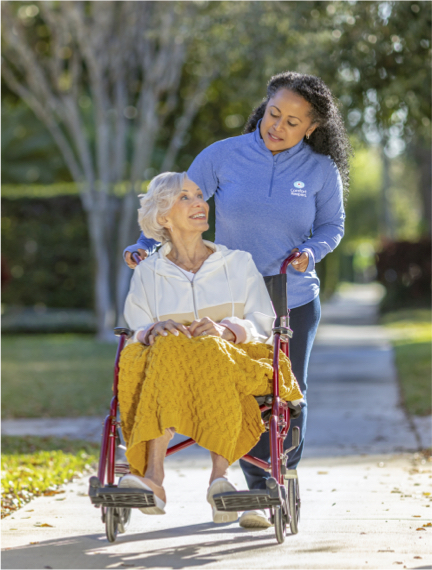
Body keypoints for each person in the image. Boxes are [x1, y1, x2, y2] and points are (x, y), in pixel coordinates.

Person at [124, 71, 351, 529]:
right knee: (239, 383)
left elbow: (332, 226)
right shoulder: (222, 155)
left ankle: (274, 475)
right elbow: (177, 202)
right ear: (263, 108)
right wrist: (147, 246)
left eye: (292, 122)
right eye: (273, 114)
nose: (277, 126)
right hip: (226, 291)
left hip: (292, 293)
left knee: (286, 392)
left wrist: (311, 251)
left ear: (311, 128)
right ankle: (254, 493)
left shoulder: (320, 171)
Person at [118, 171, 302, 523]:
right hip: (170, 367)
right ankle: (154, 479)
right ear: (162, 217)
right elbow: (135, 330)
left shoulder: (238, 263)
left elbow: (265, 321)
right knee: (169, 342)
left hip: (233, 360)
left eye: (199, 195)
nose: (200, 203)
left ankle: (221, 477)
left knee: (208, 346)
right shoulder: (149, 273)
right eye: (184, 197)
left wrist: (227, 330)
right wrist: (153, 329)